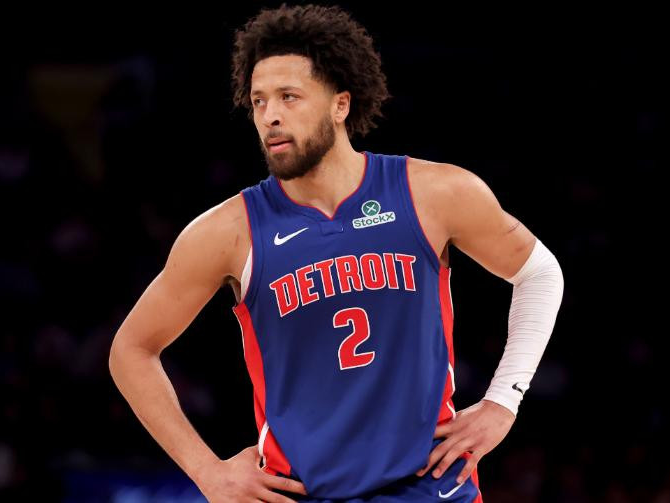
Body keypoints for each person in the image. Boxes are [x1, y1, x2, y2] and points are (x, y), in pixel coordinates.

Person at [109, 3, 564, 502]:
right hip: (304, 491)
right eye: (259, 101)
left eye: (289, 97)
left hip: (431, 486)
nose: (270, 116)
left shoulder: (434, 193)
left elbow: (539, 272)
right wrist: (206, 472)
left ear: (340, 104)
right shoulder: (227, 232)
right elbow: (131, 350)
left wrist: (503, 402)